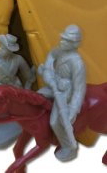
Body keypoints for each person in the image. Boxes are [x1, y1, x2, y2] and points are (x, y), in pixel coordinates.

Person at [38, 24, 86, 162]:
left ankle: (68, 147)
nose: (62, 42)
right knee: (37, 96)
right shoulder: (57, 51)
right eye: (63, 38)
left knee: (55, 122)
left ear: (75, 44)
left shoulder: (77, 63)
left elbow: (79, 89)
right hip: (53, 86)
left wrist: (72, 110)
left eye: (67, 40)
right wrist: (49, 76)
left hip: (65, 94)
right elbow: (48, 64)